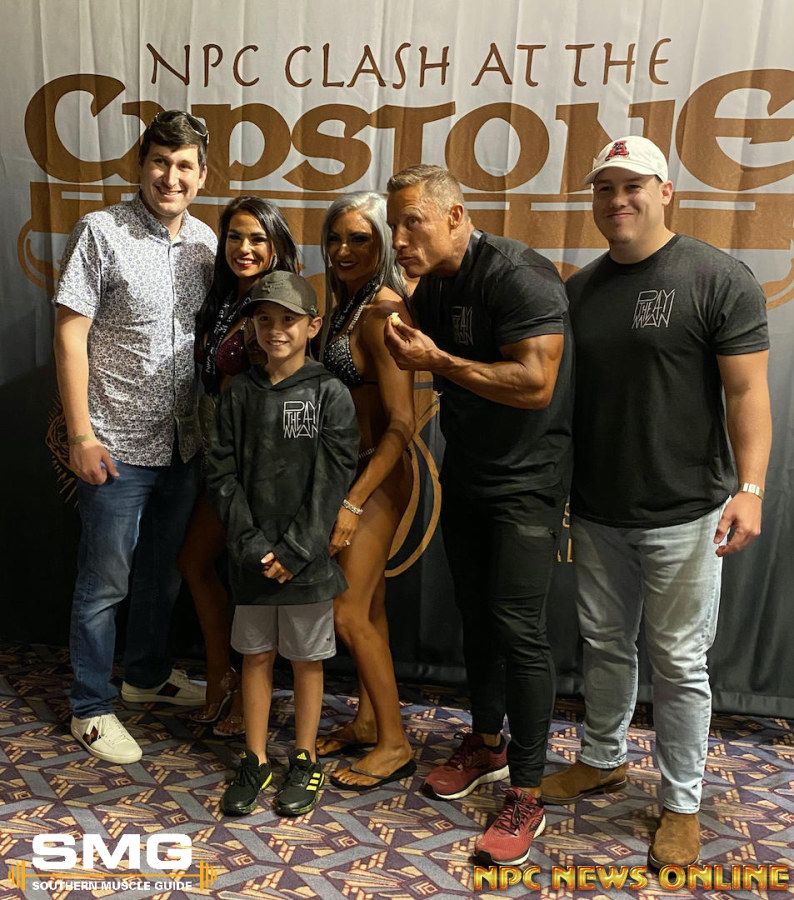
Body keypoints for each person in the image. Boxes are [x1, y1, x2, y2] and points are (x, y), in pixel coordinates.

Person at [540, 136, 772, 869]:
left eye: (632, 185)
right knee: (605, 645)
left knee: (678, 661)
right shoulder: (580, 290)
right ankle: (603, 758)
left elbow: (747, 393)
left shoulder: (717, 277)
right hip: (598, 510)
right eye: (605, 188)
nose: (618, 200)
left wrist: (751, 488)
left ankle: (681, 802)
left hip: (687, 513)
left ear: (665, 192)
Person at [384, 165, 573, 866]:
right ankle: (487, 743)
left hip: (528, 483)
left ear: (456, 216)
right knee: (476, 615)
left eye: (412, 223)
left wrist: (438, 359)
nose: (398, 239)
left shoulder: (520, 276)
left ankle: (527, 791)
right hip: (468, 472)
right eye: (393, 226)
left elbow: (536, 382)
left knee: (519, 629)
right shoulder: (433, 285)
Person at [53, 110, 217, 764]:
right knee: (105, 584)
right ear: (140, 165)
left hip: (183, 444)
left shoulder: (206, 241)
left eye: (184, 166)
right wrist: (80, 434)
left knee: (161, 576)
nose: (171, 177)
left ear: (202, 177)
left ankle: (146, 675)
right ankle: (90, 706)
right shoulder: (101, 231)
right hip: (115, 442)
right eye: (160, 162)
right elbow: (70, 336)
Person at [206, 271, 359, 817]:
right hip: (252, 559)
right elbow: (221, 473)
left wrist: (295, 550)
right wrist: (250, 545)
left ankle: (304, 757)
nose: (275, 330)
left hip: (306, 562)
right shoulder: (239, 394)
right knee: (255, 655)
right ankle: (254, 759)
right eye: (265, 319)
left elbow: (332, 480)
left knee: (306, 659)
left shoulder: (329, 393)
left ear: (313, 326)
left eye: (288, 320)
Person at [179, 197, 299, 736]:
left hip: (257, 467)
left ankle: (251, 698)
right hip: (219, 459)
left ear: (276, 244)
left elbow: (283, 390)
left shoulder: (277, 301)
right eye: (234, 237)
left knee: (254, 583)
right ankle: (221, 676)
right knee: (196, 563)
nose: (243, 248)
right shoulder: (227, 297)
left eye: (257, 239)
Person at [313, 192, 416, 791]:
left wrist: (354, 500)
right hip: (347, 472)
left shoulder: (384, 312)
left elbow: (402, 422)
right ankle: (370, 720)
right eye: (335, 238)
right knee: (369, 608)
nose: (344, 250)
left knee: (346, 613)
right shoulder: (349, 306)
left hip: (376, 474)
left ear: (383, 244)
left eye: (360, 238)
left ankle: (396, 744)